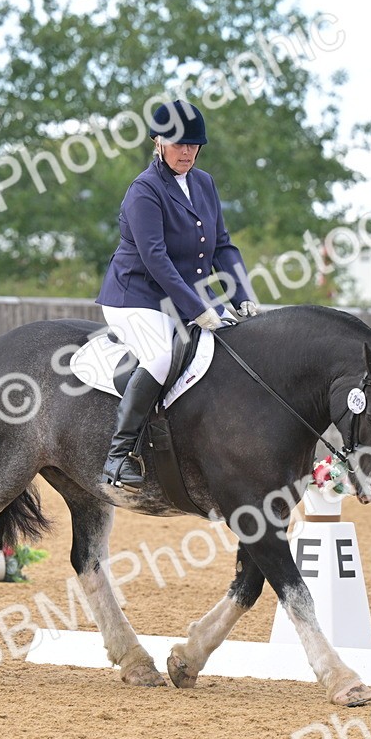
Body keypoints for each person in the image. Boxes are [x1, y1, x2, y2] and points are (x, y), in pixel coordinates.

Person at [96, 100, 260, 491]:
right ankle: (119, 457)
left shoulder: (204, 184)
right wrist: (197, 309)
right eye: (177, 144)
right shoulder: (144, 190)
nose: (186, 152)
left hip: (189, 295)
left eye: (193, 145)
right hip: (136, 297)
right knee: (160, 355)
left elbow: (221, 244)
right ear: (158, 143)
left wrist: (241, 295)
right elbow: (156, 258)